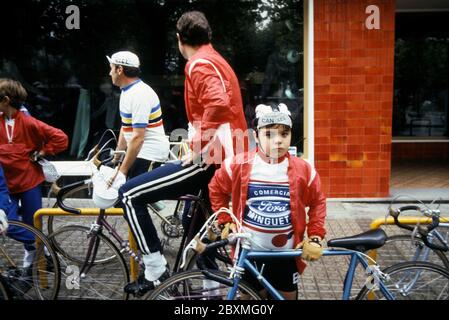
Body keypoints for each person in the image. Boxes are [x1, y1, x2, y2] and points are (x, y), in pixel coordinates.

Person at [118, 11, 248, 296]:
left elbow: (217, 103)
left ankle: (155, 271)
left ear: (179, 39)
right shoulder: (216, 60)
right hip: (227, 157)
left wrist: (199, 145)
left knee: (129, 194)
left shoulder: (199, 64)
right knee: (197, 230)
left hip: (211, 157)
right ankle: (213, 291)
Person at [208, 103, 327, 300]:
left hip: (286, 255)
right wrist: (224, 220)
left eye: (284, 134)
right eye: (269, 134)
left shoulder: (304, 169)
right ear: (256, 136)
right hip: (249, 253)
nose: (278, 141)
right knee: (250, 299)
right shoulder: (238, 164)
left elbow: (318, 202)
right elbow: (216, 189)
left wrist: (315, 236)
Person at [0, 78, 68, 266]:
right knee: (9, 224)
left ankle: (30, 262)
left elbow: (60, 138)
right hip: (5, 185)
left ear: (6, 100)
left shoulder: (29, 122)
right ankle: (43, 247)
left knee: (33, 222)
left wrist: (43, 152)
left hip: (29, 181)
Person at [106, 51, 170, 180]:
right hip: (139, 153)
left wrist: (122, 171)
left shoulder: (139, 94)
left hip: (149, 155)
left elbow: (138, 137)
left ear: (119, 69)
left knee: (131, 197)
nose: (109, 73)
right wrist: (117, 156)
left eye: (111, 68)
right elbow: (126, 127)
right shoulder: (126, 91)